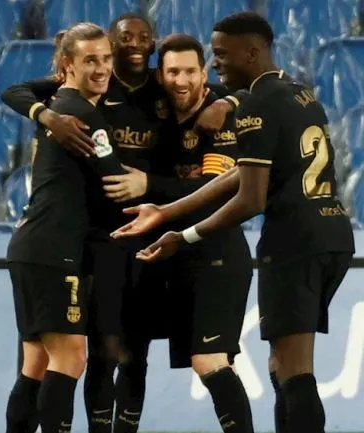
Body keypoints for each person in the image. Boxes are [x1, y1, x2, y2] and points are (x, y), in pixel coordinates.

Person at [112, 12, 354, 433]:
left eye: (222, 54)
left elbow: (251, 198)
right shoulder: (300, 93)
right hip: (333, 234)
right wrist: (167, 211)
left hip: (293, 241)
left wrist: (183, 235)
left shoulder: (256, 104)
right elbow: (241, 173)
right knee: (281, 366)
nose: (217, 63)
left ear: (252, 52)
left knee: (295, 371)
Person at [5, 22, 125, 433]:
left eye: (107, 58)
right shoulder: (84, 115)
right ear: (67, 65)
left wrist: (42, 112)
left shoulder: (64, 105)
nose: (102, 68)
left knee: (36, 363)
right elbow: (117, 188)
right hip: (56, 251)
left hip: (32, 246)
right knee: (71, 357)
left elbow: (15, 90)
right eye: (90, 60)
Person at [145, 33, 254, 433]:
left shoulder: (218, 111)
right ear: (161, 75)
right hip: (178, 255)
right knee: (213, 362)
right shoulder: (155, 112)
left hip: (218, 252)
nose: (181, 80)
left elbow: (213, 191)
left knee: (208, 360)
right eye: (173, 71)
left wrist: (147, 186)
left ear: (203, 72)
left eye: (190, 70)